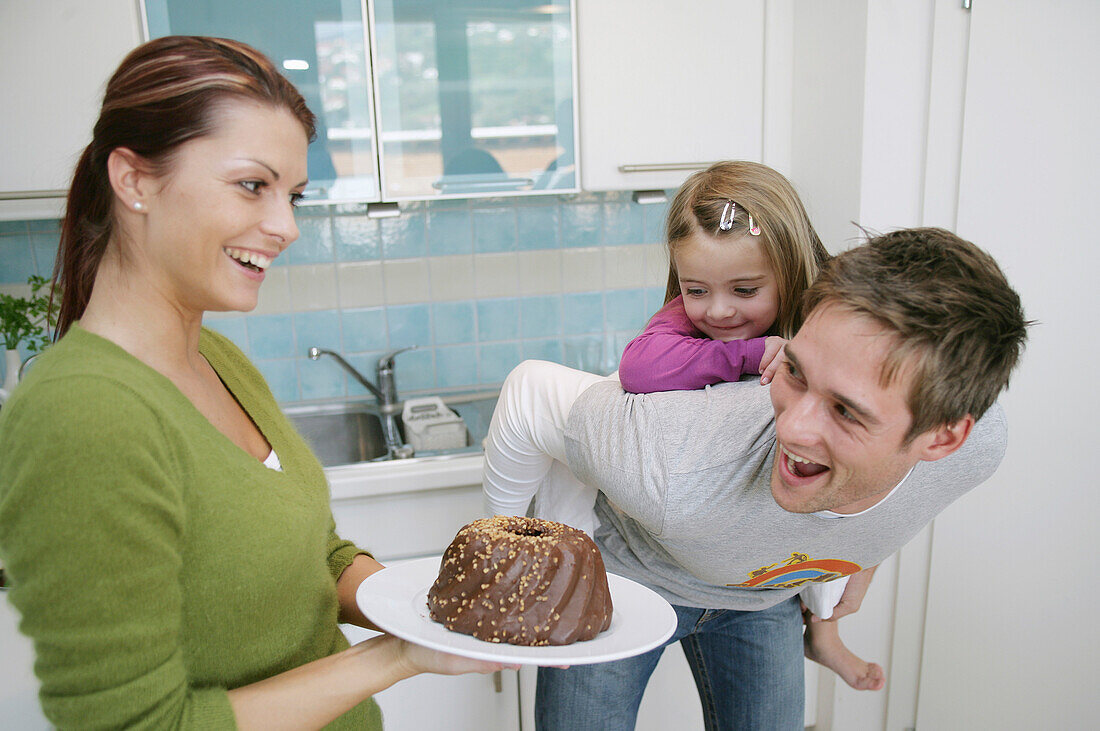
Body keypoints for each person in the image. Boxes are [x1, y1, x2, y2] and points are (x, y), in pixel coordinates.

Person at [0, 36, 505, 730]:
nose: (286, 225)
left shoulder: (216, 359)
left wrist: (434, 606)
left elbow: (316, 556)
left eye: (292, 194)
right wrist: (399, 655)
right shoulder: (82, 413)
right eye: (251, 185)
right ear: (135, 179)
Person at [485, 227, 1028, 729]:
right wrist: (502, 562)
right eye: (793, 371)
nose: (791, 429)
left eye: (846, 411)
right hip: (628, 581)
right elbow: (530, 391)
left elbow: (898, 491)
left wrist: (866, 555)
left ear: (943, 438)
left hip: (763, 600)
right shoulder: (673, 463)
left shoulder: (979, 447)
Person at [487, 161, 884, 692]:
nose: (717, 311)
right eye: (697, 290)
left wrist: (864, 562)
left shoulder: (824, 319)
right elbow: (641, 367)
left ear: (789, 271)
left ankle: (825, 632)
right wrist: (750, 353)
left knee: (832, 549)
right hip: (646, 561)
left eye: (745, 291)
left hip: (762, 574)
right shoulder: (689, 319)